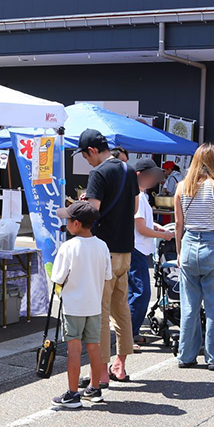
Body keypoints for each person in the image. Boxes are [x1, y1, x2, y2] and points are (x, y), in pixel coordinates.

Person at [81, 128, 140, 384]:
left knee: (101, 312)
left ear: (93, 151)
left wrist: (80, 205)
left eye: (85, 156)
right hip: (126, 249)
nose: (87, 161)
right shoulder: (128, 169)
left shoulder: (98, 173)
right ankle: (121, 365)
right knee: (121, 308)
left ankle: (101, 371)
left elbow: (91, 214)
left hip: (104, 252)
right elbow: (135, 207)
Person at [173, 142, 214, 370]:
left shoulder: (182, 187)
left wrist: (179, 252)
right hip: (213, 245)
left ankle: (186, 356)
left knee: (189, 307)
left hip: (189, 244)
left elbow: (178, 224)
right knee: (213, 306)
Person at [51, 200, 114, 408]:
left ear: (76, 223)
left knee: (74, 350)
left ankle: (72, 393)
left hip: (74, 306)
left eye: (68, 220)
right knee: (94, 347)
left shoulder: (68, 247)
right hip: (94, 305)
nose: (66, 224)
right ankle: (95, 389)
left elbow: (58, 278)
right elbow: (107, 275)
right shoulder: (102, 245)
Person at [130, 157, 173, 346]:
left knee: (139, 293)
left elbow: (143, 222)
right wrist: (162, 235)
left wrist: (158, 227)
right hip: (136, 249)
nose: (153, 180)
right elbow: (140, 228)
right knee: (140, 293)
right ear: (140, 175)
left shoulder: (142, 195)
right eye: (150, 176)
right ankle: (129, 335)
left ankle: (133, 332)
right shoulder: (137, 195)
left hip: (140, 249)